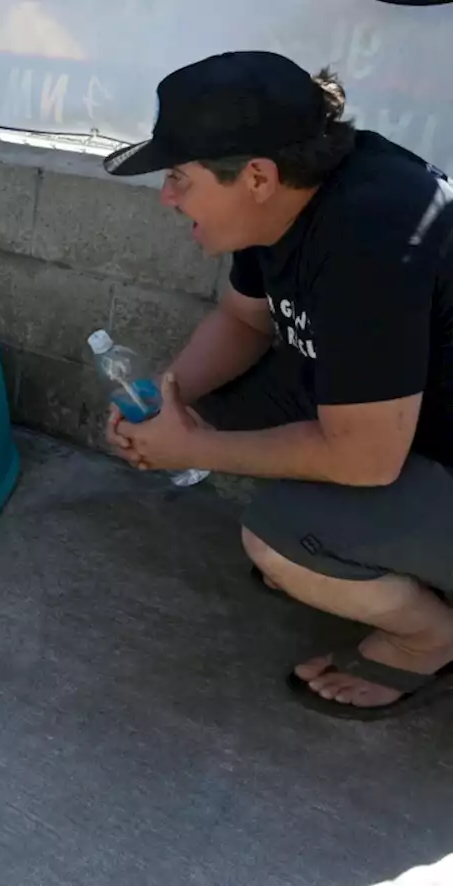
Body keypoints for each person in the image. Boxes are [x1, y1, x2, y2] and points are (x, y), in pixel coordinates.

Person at [101, 49, 453, 720]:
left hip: (404, 446)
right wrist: (165, 399)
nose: (167, 197)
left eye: (179, 176)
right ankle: (362, 551)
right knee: (223, 401)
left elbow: (365, 457)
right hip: (413, 427)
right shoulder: (290, 193)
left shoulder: (371, 235)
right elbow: (244, 319)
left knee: (276, 535)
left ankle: (428, 639)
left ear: (256, 175)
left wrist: (189, 450)